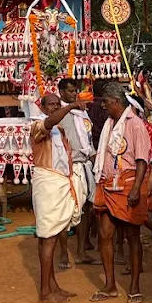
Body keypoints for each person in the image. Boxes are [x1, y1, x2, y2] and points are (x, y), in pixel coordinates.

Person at [90, 82, 152, 303]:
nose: (104, 107)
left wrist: (136, 188)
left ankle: (135, 286)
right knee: (105, 234)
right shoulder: (110, 123)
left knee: (132, 236)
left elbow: (142, 160)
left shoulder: (135, 125)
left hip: (127, 184)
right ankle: (110, 285)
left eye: (106, 102)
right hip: (107, 183)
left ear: (116, 102)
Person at [29, 91, 88, 302]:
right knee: (48, 238)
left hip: (58, 184)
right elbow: (50, 122)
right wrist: (70, 107)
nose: (55, 107)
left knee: (50, 237)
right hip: (48, 185)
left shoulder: (59, 129)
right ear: (43, 108)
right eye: (51, 105)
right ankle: (45, 291)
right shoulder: (38, 126)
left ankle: (52, 286)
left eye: (57, 104)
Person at [55, 77, 97, 266]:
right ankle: (64, 253)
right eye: (71, 91)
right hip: (67, 168)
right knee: (64, 210)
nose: (74, 94)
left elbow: (87, 139)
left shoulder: (82, 112)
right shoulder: (59, 114)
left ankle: (80, 251)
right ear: (62, 92)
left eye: (75, 91)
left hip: (85, 165)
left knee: (86, 209)